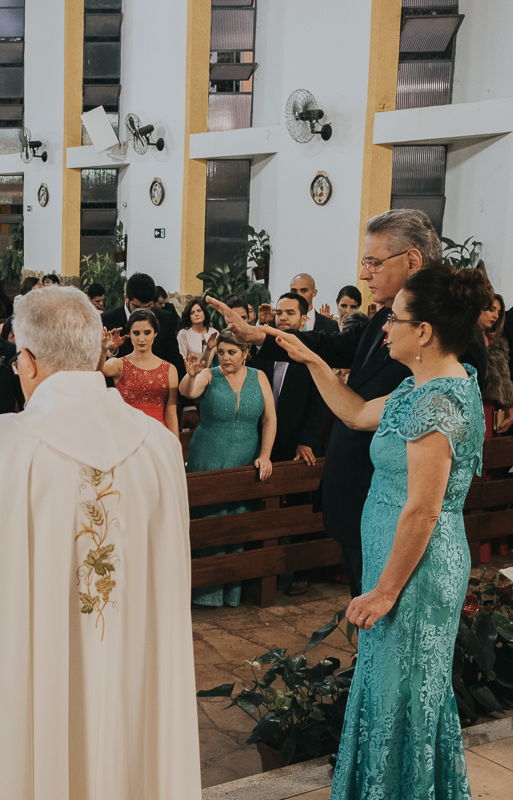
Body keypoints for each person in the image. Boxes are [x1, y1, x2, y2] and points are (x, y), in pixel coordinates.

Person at [0, 286, 201, 800]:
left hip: (41, 675)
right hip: (136, 664)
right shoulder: (159, 446)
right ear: (95, 352)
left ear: (26, 361)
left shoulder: (2, 452)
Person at [260, 264, 490, 800]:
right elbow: (358, 412)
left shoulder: (438, 403)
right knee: (392, 695)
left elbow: (424, 510)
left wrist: (385, 591)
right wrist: (313, 360)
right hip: (400, 562)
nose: (384, 328)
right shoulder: (421, 387)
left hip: (414, 574)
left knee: (400, 700)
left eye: (395, 319)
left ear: (424, 331)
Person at [207, 207, 486, 598]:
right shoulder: (389, 320)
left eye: (373, 262)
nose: (364, 274)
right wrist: (261, 337)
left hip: (397, 510)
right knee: (365, 610)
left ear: (412, 260)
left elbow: (427, 489)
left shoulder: (451, 349)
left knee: (388, 610)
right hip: (361, 498)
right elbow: (340, 362)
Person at [180, 328, 276, 607]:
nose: (225, 357)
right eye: (221, 352)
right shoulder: (209, 375)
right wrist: (192, 375)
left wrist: (265, 455)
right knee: (209, 520)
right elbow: (188, 391)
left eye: (232, 352)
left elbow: (269, 418)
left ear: (246, 353)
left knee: (237, 519)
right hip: (208, 455)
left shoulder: (259, 377)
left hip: (245, 457)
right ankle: (203, 593)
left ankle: (231, 592)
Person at [255, 293, 329, 464]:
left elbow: (320, 403)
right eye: (279, 313)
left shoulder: (313, 352)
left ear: (303, 319)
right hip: (264, 438)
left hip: (298, 441)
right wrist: (262, 327)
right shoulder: (266, 350)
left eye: (290, 313)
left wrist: (307, 441)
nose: (283, 317)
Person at [102, 309, 180, 437]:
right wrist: (104, 350)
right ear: (130, 334)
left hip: (158, 435)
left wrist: (175, 446)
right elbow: (97, 370)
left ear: (155, 333)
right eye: (136, 333)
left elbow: (171, 413)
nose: (141, 339)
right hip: (128, 434)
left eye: (147, 333)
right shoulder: (119, 365)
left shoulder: (170, 370)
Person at [101, 272, 184, 376]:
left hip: (156, 381)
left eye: (148, 307)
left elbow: (174, 359)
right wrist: (111, 351)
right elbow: (96, 366)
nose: (142, 312)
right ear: (126, 297)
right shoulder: (106, 320)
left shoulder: (165, 319)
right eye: (137, 307)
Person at [479, 294, 512, 438]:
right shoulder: (463, 341)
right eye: (491, 310)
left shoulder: (496, 342)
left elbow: (504, 382)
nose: (495, 316)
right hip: (469, 407)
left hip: (491, 409)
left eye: (498, 312)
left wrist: (509, 411)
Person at [177, 298, 216, 362]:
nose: (196, 314)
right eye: (192, 313)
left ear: (204, 313)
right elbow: (182, 358)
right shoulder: (183, 333)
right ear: (189, 316)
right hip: (191, 368)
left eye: (199, 311)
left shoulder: (214, 332)